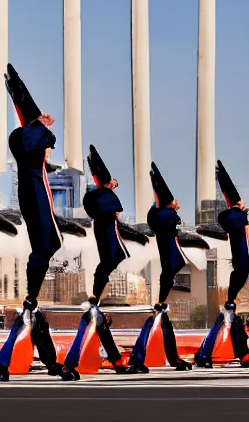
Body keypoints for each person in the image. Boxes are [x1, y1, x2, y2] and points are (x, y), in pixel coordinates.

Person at [0, 63, 63, 382]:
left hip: (38, 190)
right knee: (44, 245)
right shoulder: (22, 138)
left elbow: (50, 138)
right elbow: (45, 137)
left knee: (52, 243)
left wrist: (41, 124)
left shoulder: (31, 138)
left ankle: (32, 300)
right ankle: (31, 300)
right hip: (33, 191)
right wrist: (40, 124)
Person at [60, 145, 128, 380]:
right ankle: (70, 363)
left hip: (108, 227)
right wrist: (108, 190)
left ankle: (117, 361)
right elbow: (110, 205)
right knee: (109, 260)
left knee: (97, 318)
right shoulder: (99, 200)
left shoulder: (100, 201)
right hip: (106, 230)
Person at [127, 162, 192, 373]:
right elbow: (172, 217)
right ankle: (139, 359)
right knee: (158, 319)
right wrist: (172, 208)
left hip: (169, 262)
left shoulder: (159, 215)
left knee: (164, 322)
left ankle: (173, 359)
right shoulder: (164, 217)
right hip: (168, 261)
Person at [195, 160, 249, 368]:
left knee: (231, 320)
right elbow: (228, 218)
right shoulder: (235, 219)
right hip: (240, 279)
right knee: (227, 319)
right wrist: (238, 209)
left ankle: (242, 355)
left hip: (242, 279)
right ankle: (204, 353)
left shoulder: (240, 221)